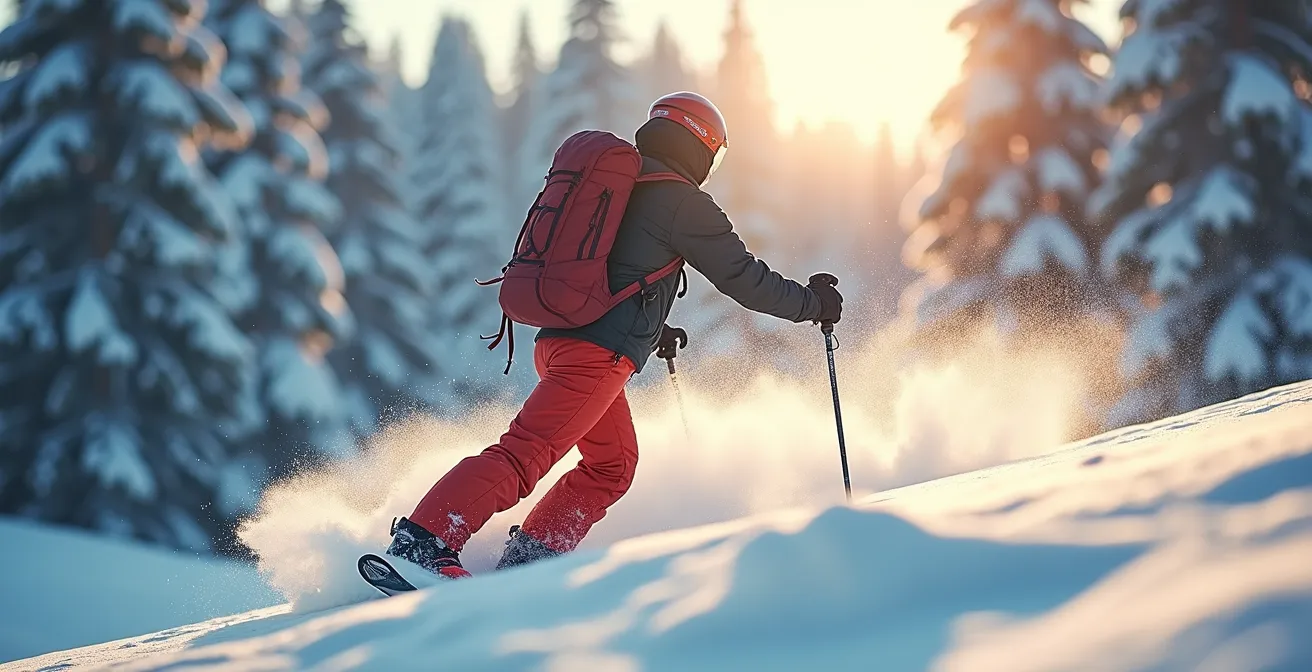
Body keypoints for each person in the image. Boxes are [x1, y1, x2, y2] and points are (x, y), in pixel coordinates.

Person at [383, 92, 844, 579]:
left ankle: (529, 563)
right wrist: (812, 303)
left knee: (613, 465)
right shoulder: (683, 202)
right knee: (525, 454)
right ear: (701, 143)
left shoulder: (623, 186)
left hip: (560, 342)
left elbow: (613, 269)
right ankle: (424, 540)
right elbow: (744, 279)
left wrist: (650, 330)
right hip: (594, 357)